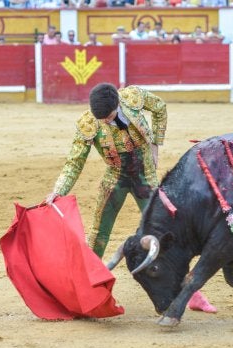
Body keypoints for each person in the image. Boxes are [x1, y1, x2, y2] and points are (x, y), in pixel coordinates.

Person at [45, 83, 217, 313]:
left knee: (166, 235)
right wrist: (59, 190)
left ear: (117, 103)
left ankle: (191, 292)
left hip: (146, 179)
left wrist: (156, 143)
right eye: (101, 119)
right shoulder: (88, 123)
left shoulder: (134, 97)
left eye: (108, 117)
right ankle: (85, 289)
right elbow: (74, 162)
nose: (105, 122)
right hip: (115, 179)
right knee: (98, 235)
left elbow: (159, 107)